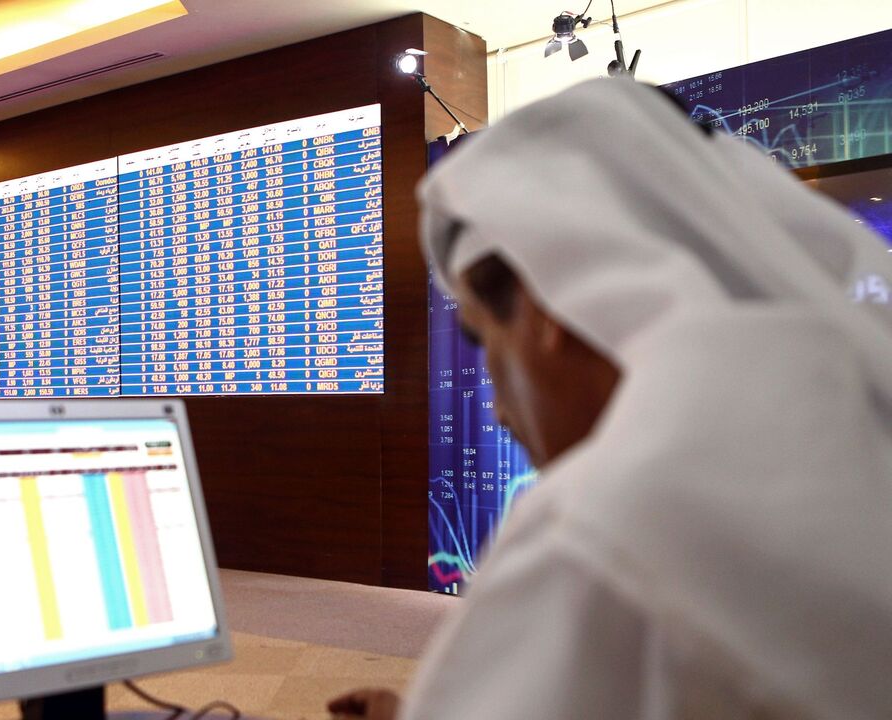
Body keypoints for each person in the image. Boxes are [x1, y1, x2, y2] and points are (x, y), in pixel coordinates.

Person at [329, 78, 892, 719]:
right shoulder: (852, 407)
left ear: (544, 313)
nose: (499, 408)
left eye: (486, 340)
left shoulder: (598, 526)